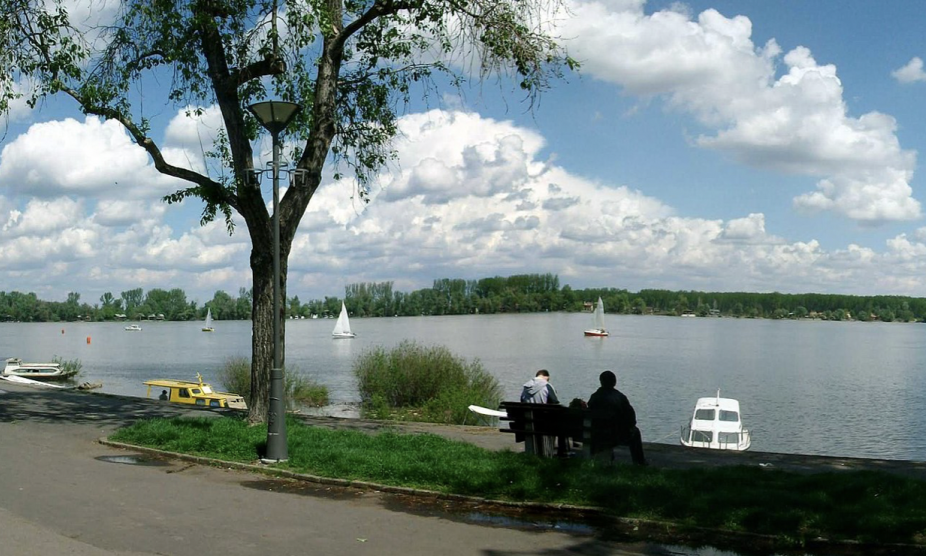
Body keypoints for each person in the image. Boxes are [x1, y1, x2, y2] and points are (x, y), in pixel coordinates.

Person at [587, 370, 647, 466]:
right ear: (614, 382)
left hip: (597, 434)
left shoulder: (594, 397)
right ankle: (639, 461)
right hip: (616, 435)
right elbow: (631, 418)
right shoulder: (620, 397)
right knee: (636, 432)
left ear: (601, 381)